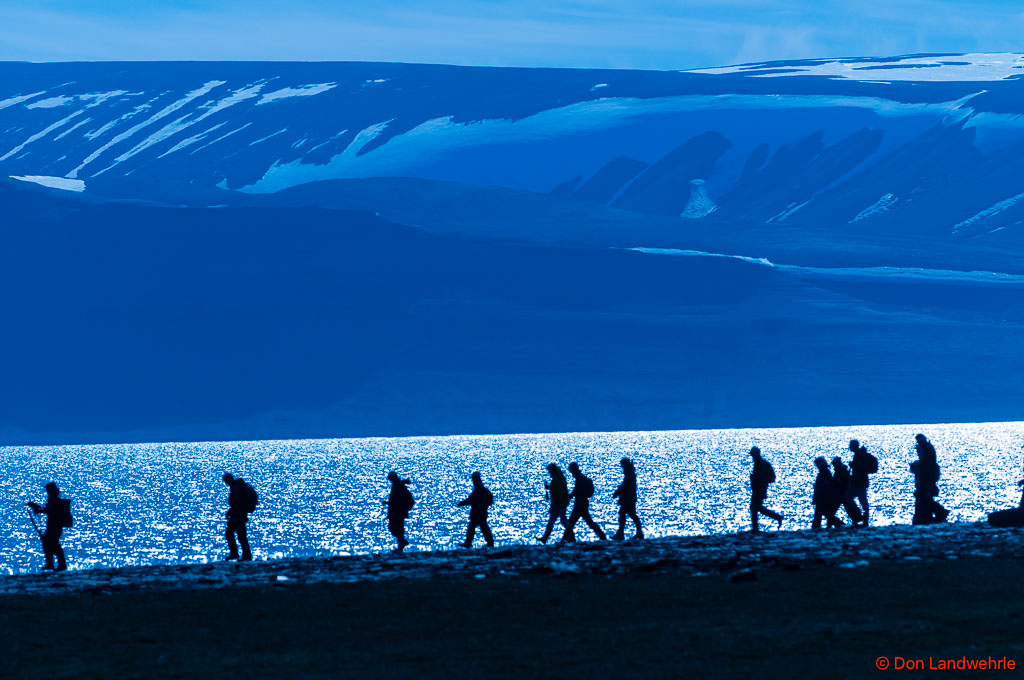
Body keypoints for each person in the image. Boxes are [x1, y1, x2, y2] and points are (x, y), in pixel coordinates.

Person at [27, 482, 70, 571]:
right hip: (54, 526)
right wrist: (37, 508)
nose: (47, 491)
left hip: (55, 526)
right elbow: (47, 510)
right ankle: (52, 564)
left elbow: (48, 510)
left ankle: (59, 565)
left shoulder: (54, 500)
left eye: (47, 489)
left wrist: (37, 508)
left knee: (52, 544)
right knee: (48, 544)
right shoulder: (53, 500)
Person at [563, 462, 607, 542]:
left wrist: (569, 496)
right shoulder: (580, 478)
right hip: (582, 503)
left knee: (572, 522)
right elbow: (575, 491)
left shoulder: (580, 479)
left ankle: (567, 539)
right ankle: (602, 536)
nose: (571, 474)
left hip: (580, 504)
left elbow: (576, 491)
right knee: (581, 521)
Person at [910, 434, 948, 525]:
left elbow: (927, 464)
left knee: (925, 498)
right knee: (924, 499)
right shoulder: (927, 450)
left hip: (927, 479)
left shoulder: (927, 451)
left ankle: (939, 512)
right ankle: (930, 516)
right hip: (926, 479)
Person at [222, 473, 256, 561]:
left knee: (231, 534)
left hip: (238, 515)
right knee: (241, 535)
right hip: (240, 514)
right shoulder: (238, 486)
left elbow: (237, 503)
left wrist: (230, 512)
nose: (226, 483)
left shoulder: (236, 487)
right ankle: (244, 555)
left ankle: (237, 554)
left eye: (226, 480)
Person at [749, 447, 783, 532]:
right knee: (757, 507)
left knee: (754, 507)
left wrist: (760, 480)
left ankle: (755, 528)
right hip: (757, 489)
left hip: (760, 489)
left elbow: (772, 478)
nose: (752, 457)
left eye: (753, 454)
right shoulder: (757, 464)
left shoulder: (764, 464)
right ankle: (777, 517)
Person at [458, 471, 495, 548]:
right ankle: (489, 543)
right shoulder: (482, 490)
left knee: (477, 528)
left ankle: (469, 543)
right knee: (481, 528)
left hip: (478, 513)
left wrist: (462, 503)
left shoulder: (479, 490)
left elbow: (472, 500)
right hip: (480, 513)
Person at [612, 458, 644, 540]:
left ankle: (622, 533)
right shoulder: (629, 473)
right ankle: (637, 533)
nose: (622, 467)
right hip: (629, 498)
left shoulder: (629, 474)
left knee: (628, 515)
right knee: (629, 515)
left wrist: (618, 492)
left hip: (628, 499)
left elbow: (625, 486)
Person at [538, 463, 570, 544]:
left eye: (550, 471)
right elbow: (556, 488)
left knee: (562, 521)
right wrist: (548, 487)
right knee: (554, 521)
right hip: (558, 503)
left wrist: (549, 488)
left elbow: (559, 491)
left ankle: (571, 536)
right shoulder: (559, 478)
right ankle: (544, 538)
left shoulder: (558, 478)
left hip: (559, 503)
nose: (549, 473)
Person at [848, 439, 877, 525]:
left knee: (859, 499)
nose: (850, 447)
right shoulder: (858, 454)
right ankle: (861, 516)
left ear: (854, 446)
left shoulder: (859, 455)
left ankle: (862, 516)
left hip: (860, 481)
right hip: (860, 481)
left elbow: (860, 468)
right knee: (858, 499)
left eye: (851, 446)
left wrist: (853, 466)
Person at [384, 471, 414, 552]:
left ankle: (401, 544)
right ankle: (401, 545)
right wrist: (388, 503)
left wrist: (389, 503)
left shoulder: (398, 486)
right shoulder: (398, 485)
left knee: (395, 527)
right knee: (397, 528)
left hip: (398, 511)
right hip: (398, 510)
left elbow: (397, 500)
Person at [831, 456, 863, 526]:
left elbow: (841, 482)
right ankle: (857, 518)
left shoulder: (841, 471)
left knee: (834, 510)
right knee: (848, 507)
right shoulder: (841, 470)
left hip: (842, 493)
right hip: (842, 492)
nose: (833, 465)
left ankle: (856, 518)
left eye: (834, 464)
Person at [812, 457, 841, 530]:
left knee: (822, 512)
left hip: (823, 496)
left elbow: (826, 484)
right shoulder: (825, 472)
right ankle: (837, 523)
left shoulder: (824, 473)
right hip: (823, 496)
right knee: (824, 513)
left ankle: (838, 523)